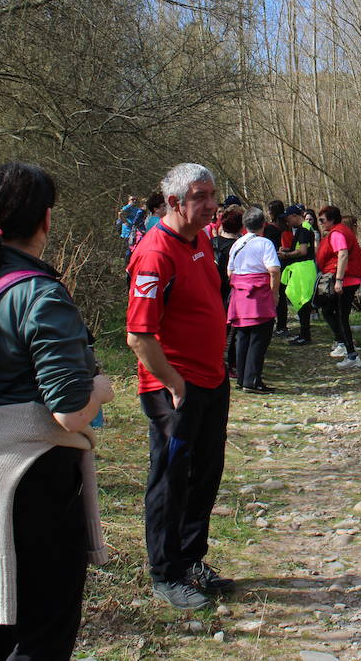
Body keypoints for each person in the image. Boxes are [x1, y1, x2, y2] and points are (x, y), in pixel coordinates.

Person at [0, 162, 115, 661]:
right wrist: (100, 389)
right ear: (47, 221)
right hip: (30, 483)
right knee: (44, 632)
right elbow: (70, 412)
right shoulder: (41, 293)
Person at [125, 163, 233, 610]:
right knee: (171, 479)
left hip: (212, 378)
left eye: (213, 195)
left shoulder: (202, 239)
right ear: (174, 202)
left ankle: (191, 560)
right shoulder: (154, 254)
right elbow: (138, 336)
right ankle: (165, 572)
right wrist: (175, 383)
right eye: (201, 196)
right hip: (174, 389)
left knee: (205, 475)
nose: (212, 205)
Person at [227, 206, 284, 393]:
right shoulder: (265, 243)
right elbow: (274, 270)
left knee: (242, 336)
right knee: (260, 336)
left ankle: (243, 378)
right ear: (264, 224)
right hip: (259, 293)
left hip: (239, 294)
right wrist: (274, 293)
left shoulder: (237, 244)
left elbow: (230, 271)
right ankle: (253, 380)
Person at [315, 205, 361, 368]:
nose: (320, 223)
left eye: (322, 220)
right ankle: (342, 343)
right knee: (328, 311)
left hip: (346, 281)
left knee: (341, 317)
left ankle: (352, 355)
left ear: (331, 219)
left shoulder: (338, 233)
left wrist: (339, 280)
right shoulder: (338, 231)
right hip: (345, 280)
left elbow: (343, 254)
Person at [211, 205, 244, 378]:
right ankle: (231, 364)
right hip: (233, 291)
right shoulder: (241, 246)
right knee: (233, 329)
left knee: (216, 329)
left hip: (213, 289)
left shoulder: (211, 244)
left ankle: (215, 361)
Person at [277, 204, 316, 345]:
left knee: (303, 303)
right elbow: (299, 248)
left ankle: (305, 336)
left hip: (303, 270)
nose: (287, 222)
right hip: (302, 268)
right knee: (301, 303)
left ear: (294, 216)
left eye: (288, 218)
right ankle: (304, 334)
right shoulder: (303, 228)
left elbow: (303, 251)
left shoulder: (303, 230)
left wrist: (286, 254)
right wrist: (288, 249)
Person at [263, 200, 291, 337]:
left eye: (269, 210)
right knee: (281, 294)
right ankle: (282, 325)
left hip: (274, 261)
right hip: (282, 260)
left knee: (276, 294)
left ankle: (278, 325)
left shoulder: (271, 228)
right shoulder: (284, 224)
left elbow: (268, 247)